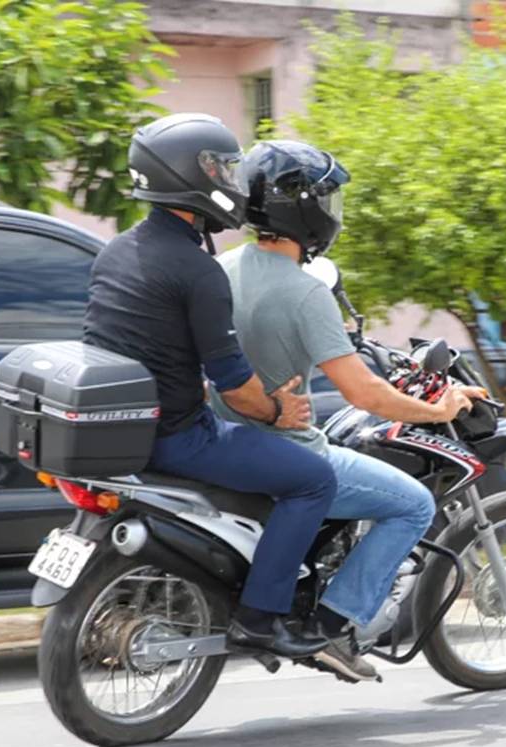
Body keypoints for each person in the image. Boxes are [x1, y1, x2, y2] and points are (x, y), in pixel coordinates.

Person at [212, 140, 478, 682]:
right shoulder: (307, 294)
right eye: (327, 202)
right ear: (305, 210)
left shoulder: (222, 268)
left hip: (222, 439)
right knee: (411, 505)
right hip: (285, 449)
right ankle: (333, 626)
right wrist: (439, 406)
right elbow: (366, 394)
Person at [83, 114, 336, 659]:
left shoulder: (117, 249)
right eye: (223, 167)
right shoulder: (200, 270)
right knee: (313, 479)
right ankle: (261, 618)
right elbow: (237, 387)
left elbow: (130, 342)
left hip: (127, 427)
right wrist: (279, 413)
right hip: (178, 437)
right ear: (189, 177)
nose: (232, 180)